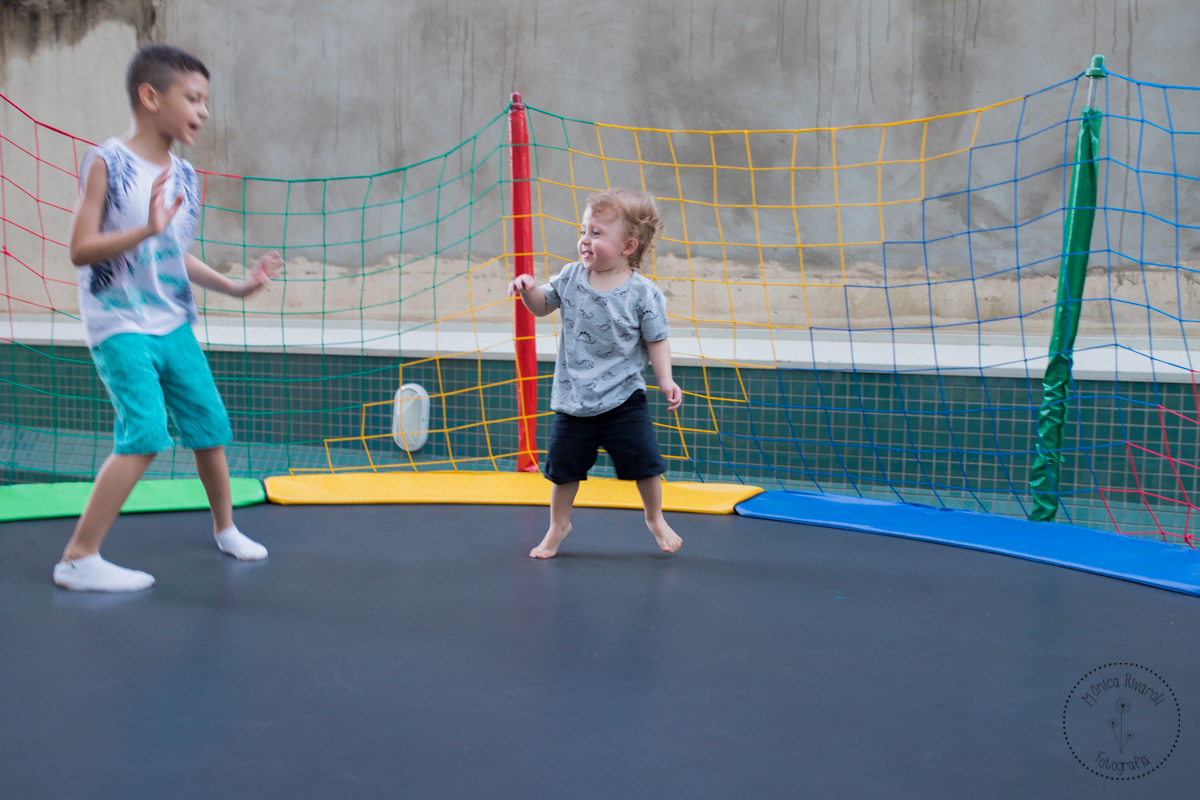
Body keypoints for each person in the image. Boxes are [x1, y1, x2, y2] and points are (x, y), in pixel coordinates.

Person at [53, 44, 282, 592]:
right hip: (120, 326)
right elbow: (81, 249)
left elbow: (173, 254)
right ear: (151, 97)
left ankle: (226, 528)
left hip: (172, 323)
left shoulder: (185, 176)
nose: (204, 111)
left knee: (209, 425)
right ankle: (78, 558)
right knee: (146, 433)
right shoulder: (107, 162)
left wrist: (236, 286)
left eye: (206, 101)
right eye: (193, 98)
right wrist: (145, 229)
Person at [508, 188, 683, 558]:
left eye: (597, 233)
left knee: (646, 464)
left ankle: (654, 517)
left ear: (628, 246)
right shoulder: (571, 276)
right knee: (563, 470)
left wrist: (666, 379)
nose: (585, 240)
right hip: (574, 399)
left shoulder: (643, 293)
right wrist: (527, 290)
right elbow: (541, 306)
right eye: (583, 231)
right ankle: (558, 525)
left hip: (623, 398)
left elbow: (657, 339)